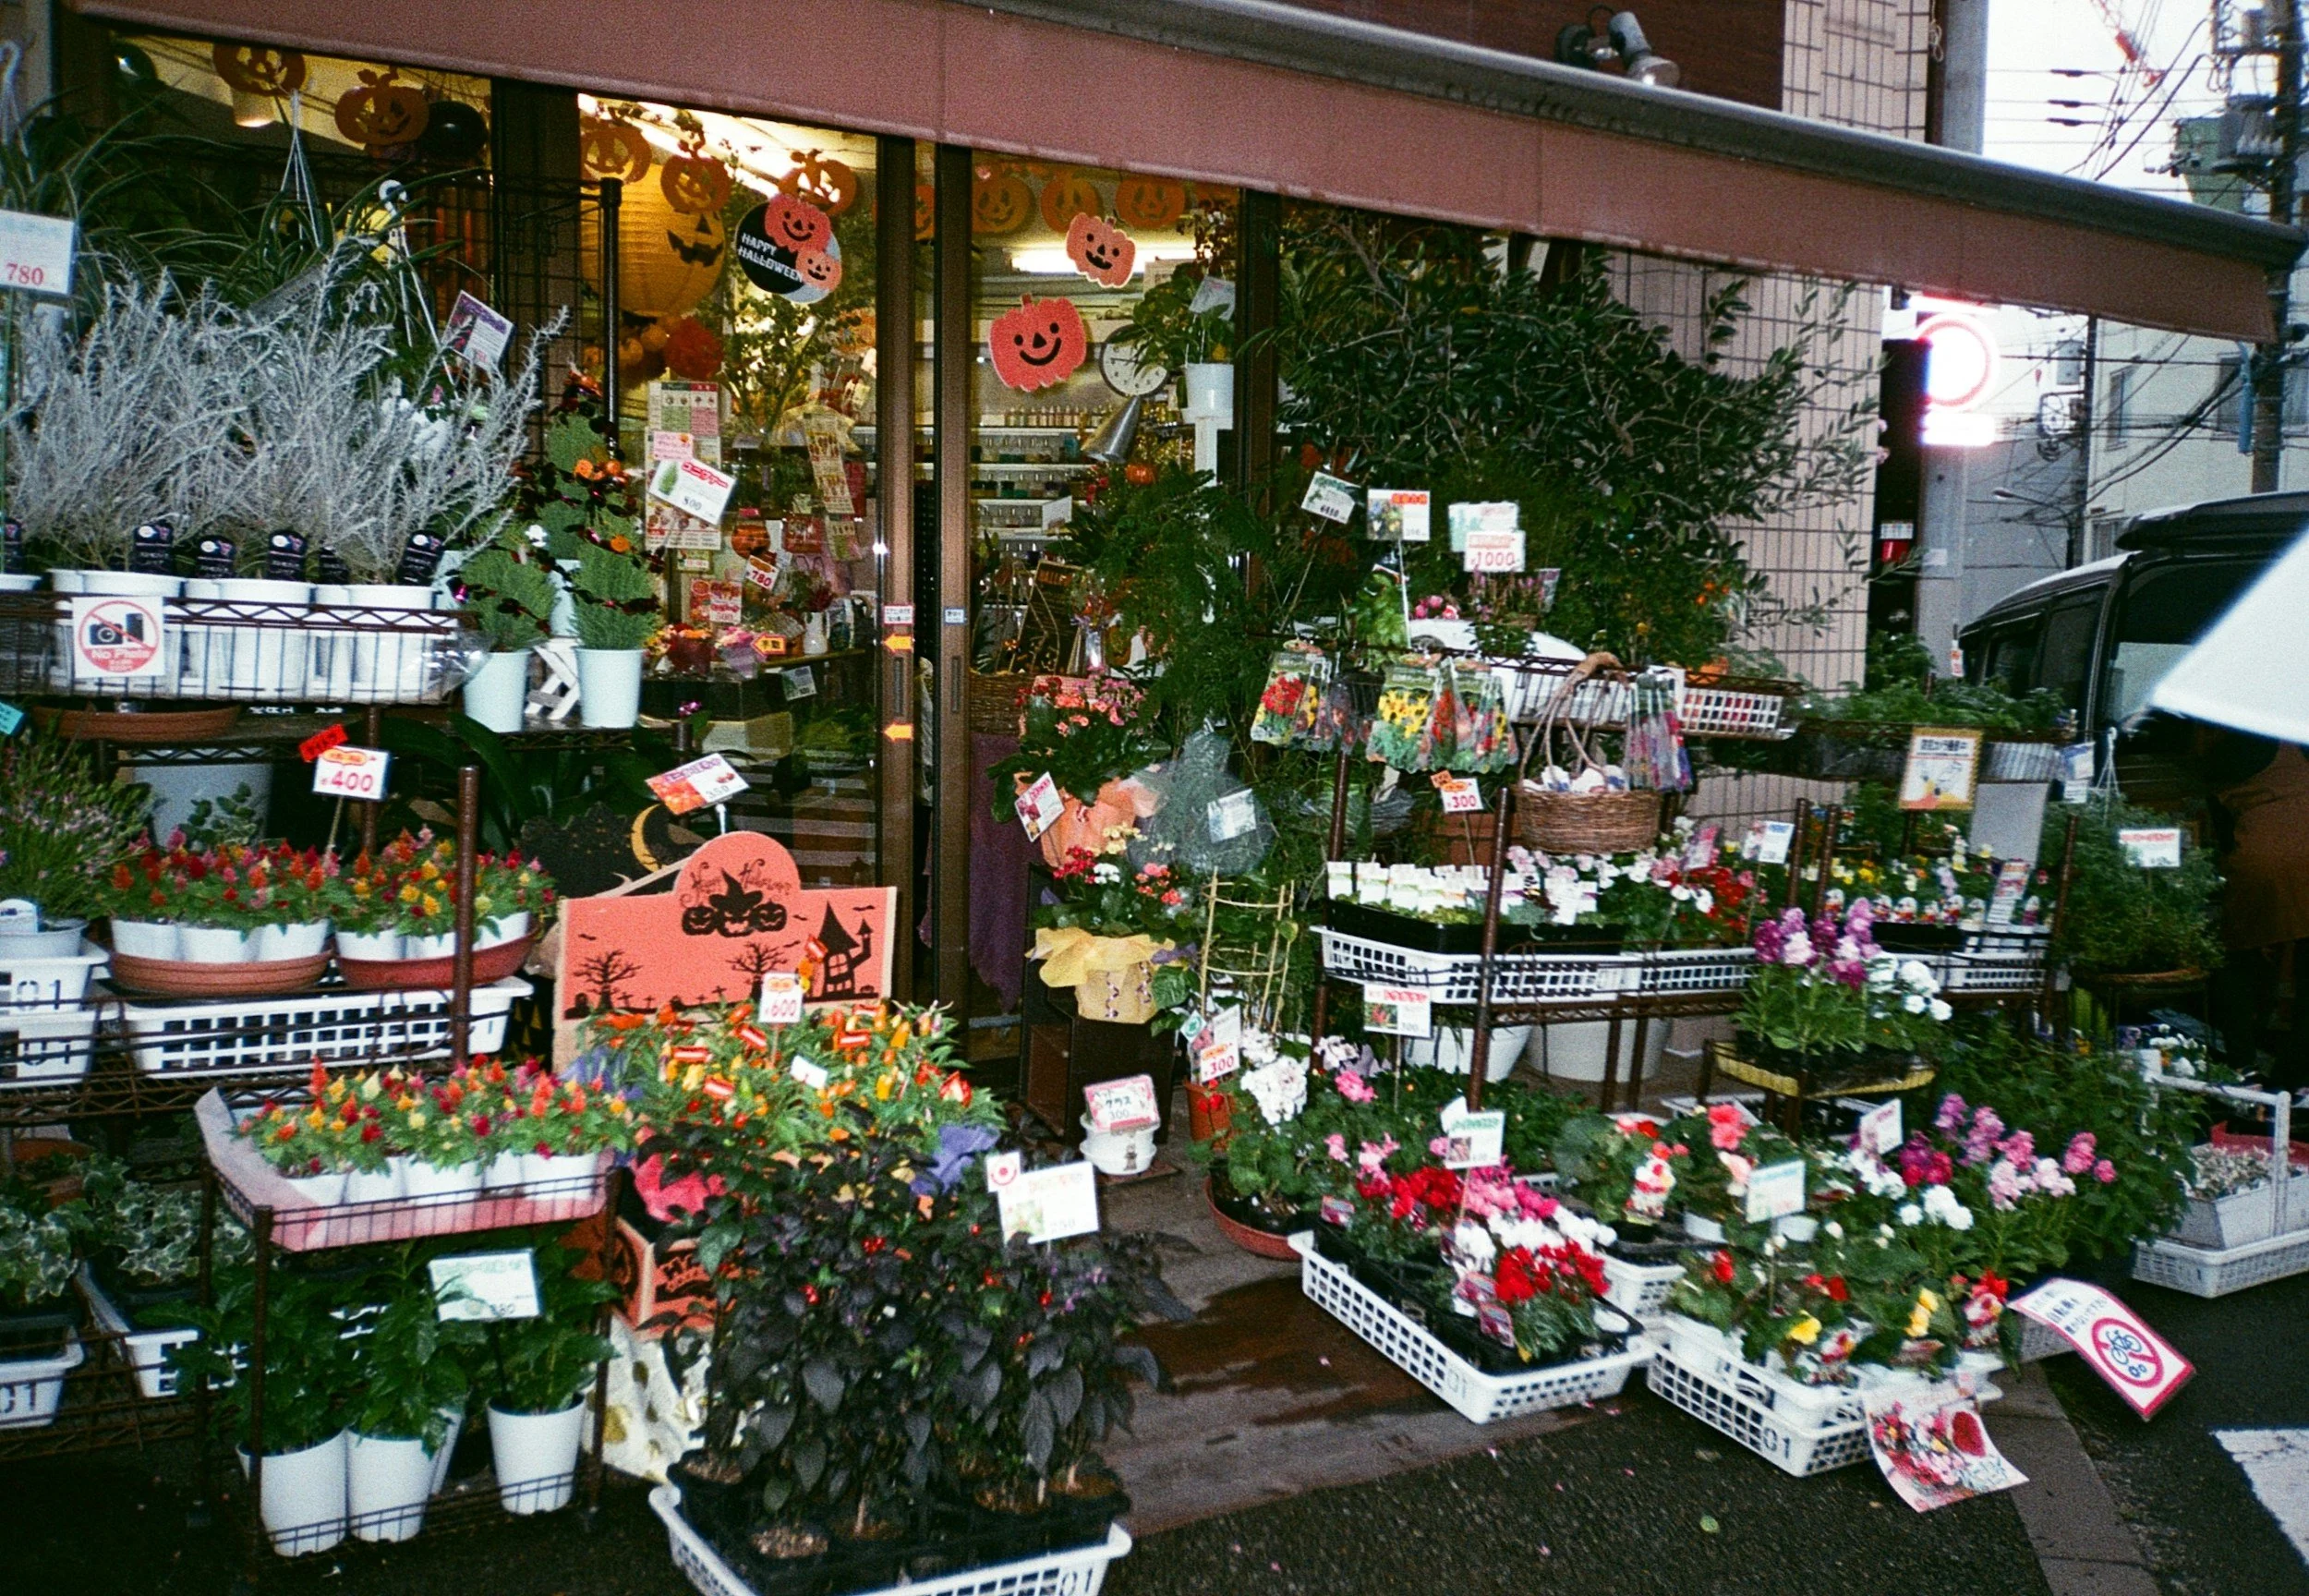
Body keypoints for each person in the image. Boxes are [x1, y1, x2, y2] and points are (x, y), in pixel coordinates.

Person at [2204, 732, 2309, 1089]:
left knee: (2237, 957)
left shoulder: (2232, 745)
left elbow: (2223, 835)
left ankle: (2242, 1067)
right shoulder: (2296, 736)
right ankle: (2295, 1077)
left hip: (2260, 859)